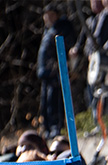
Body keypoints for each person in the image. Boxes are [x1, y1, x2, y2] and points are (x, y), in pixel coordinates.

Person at [38, 4, 76, 138]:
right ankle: (47, 129)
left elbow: (69, 46)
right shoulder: (47, 31)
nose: (47, 17)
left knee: (56, 101)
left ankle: (56, 128)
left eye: (50, 14)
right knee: (46, 103)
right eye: (45, 15)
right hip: (45, 74)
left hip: (56, 72)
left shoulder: (62, 28)